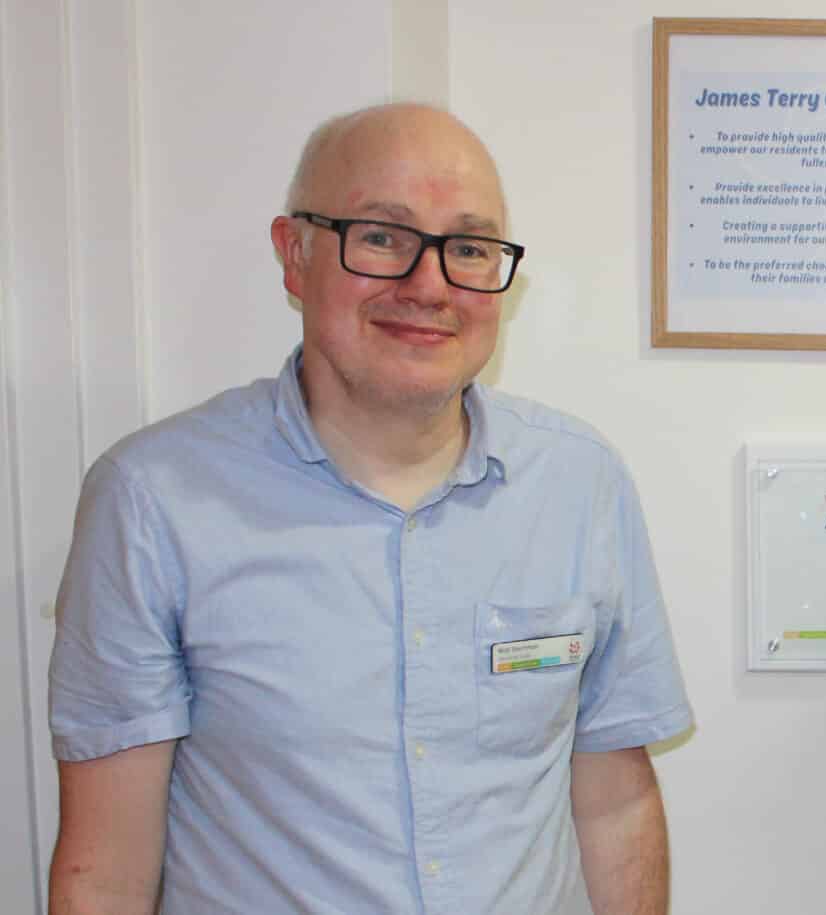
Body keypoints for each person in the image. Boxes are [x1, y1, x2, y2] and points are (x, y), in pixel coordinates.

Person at [46, 103, 693, 913]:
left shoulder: (579, 483)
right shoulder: (153, 501)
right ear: (295, 255)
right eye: (383, 237)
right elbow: (106, 867)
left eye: (467, 247)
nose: (430, 286)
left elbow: (616, 799)